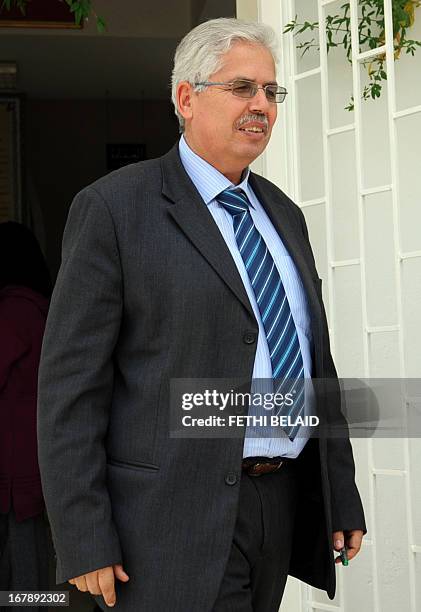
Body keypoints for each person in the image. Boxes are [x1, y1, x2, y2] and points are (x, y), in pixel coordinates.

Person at [37, 18, 366, 612]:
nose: (262, 106)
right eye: (242, 88)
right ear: (187, 98)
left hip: (278, 504)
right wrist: (84, 537)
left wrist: (338, 492)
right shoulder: (114, 209)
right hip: (165, 524)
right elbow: (70, 390)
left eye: (272, 92)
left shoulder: (284, 216)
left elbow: (316, 361)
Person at [0, 222, 51, 604]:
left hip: (12, 474)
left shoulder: (12, 312)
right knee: (30, 576)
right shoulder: (40, 309)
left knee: (21, 580)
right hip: (31, 466)